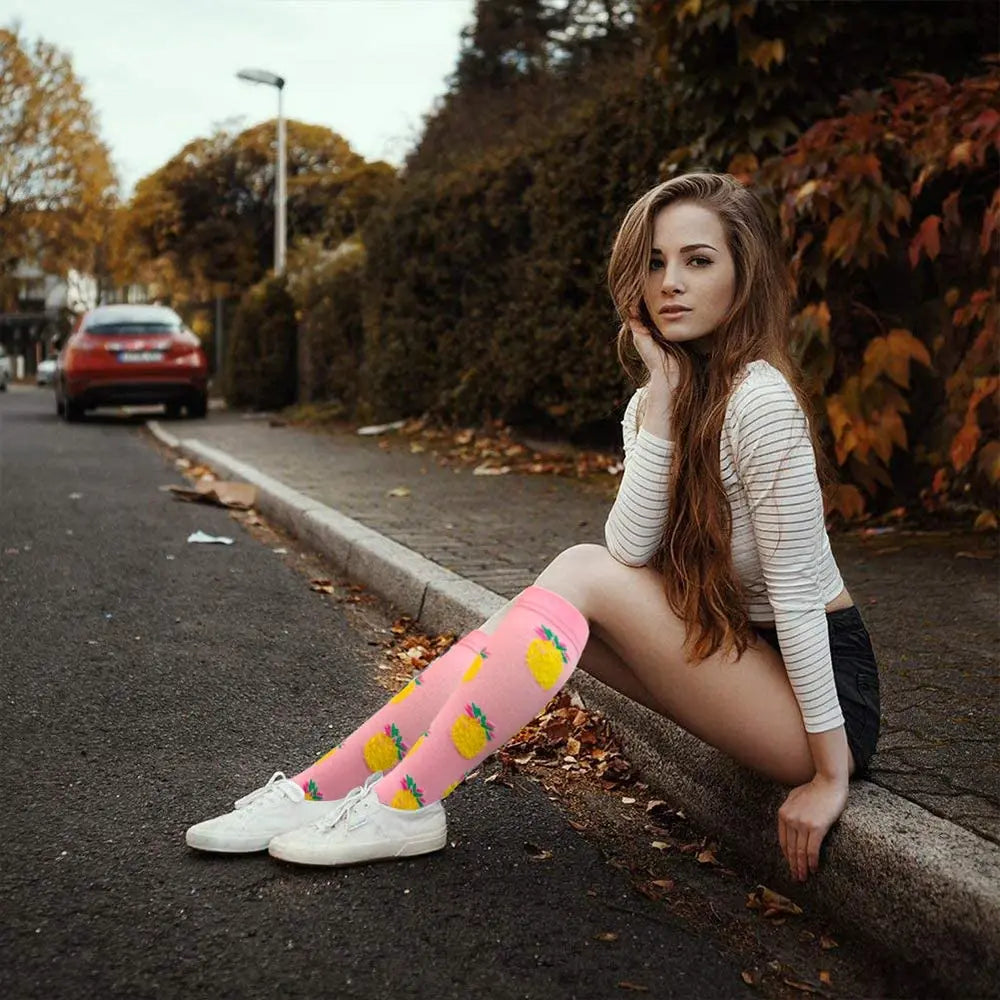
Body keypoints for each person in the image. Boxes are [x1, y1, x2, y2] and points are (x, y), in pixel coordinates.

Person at [186, 172, 880, 883]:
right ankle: (324, 791)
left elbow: (797, 598)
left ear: (742, 276)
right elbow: (631, 548)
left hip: (821, 702)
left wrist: (830, 776)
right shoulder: (653, 403)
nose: (670, 282)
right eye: (654, 262)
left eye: (698, 260)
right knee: (534, 622)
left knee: (578, 573)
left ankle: (402, 802)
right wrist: (665, 404)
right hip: (734, 655)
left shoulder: (761, 401)